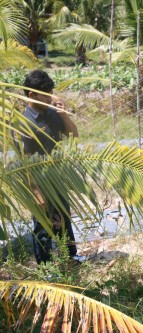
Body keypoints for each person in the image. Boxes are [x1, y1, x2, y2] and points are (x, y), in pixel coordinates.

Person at [21, 70, 80, 264]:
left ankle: (70, 257)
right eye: (46, 93)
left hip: (58, 176)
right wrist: (36, 193)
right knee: (43, 226)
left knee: (64, 218)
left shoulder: (53, 113)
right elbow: (26, 162)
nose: (50, 97)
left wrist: (64, 116)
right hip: (39, 181)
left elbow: (74, 135)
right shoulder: (25, 122)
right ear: (32, 95)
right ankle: (45, 266)